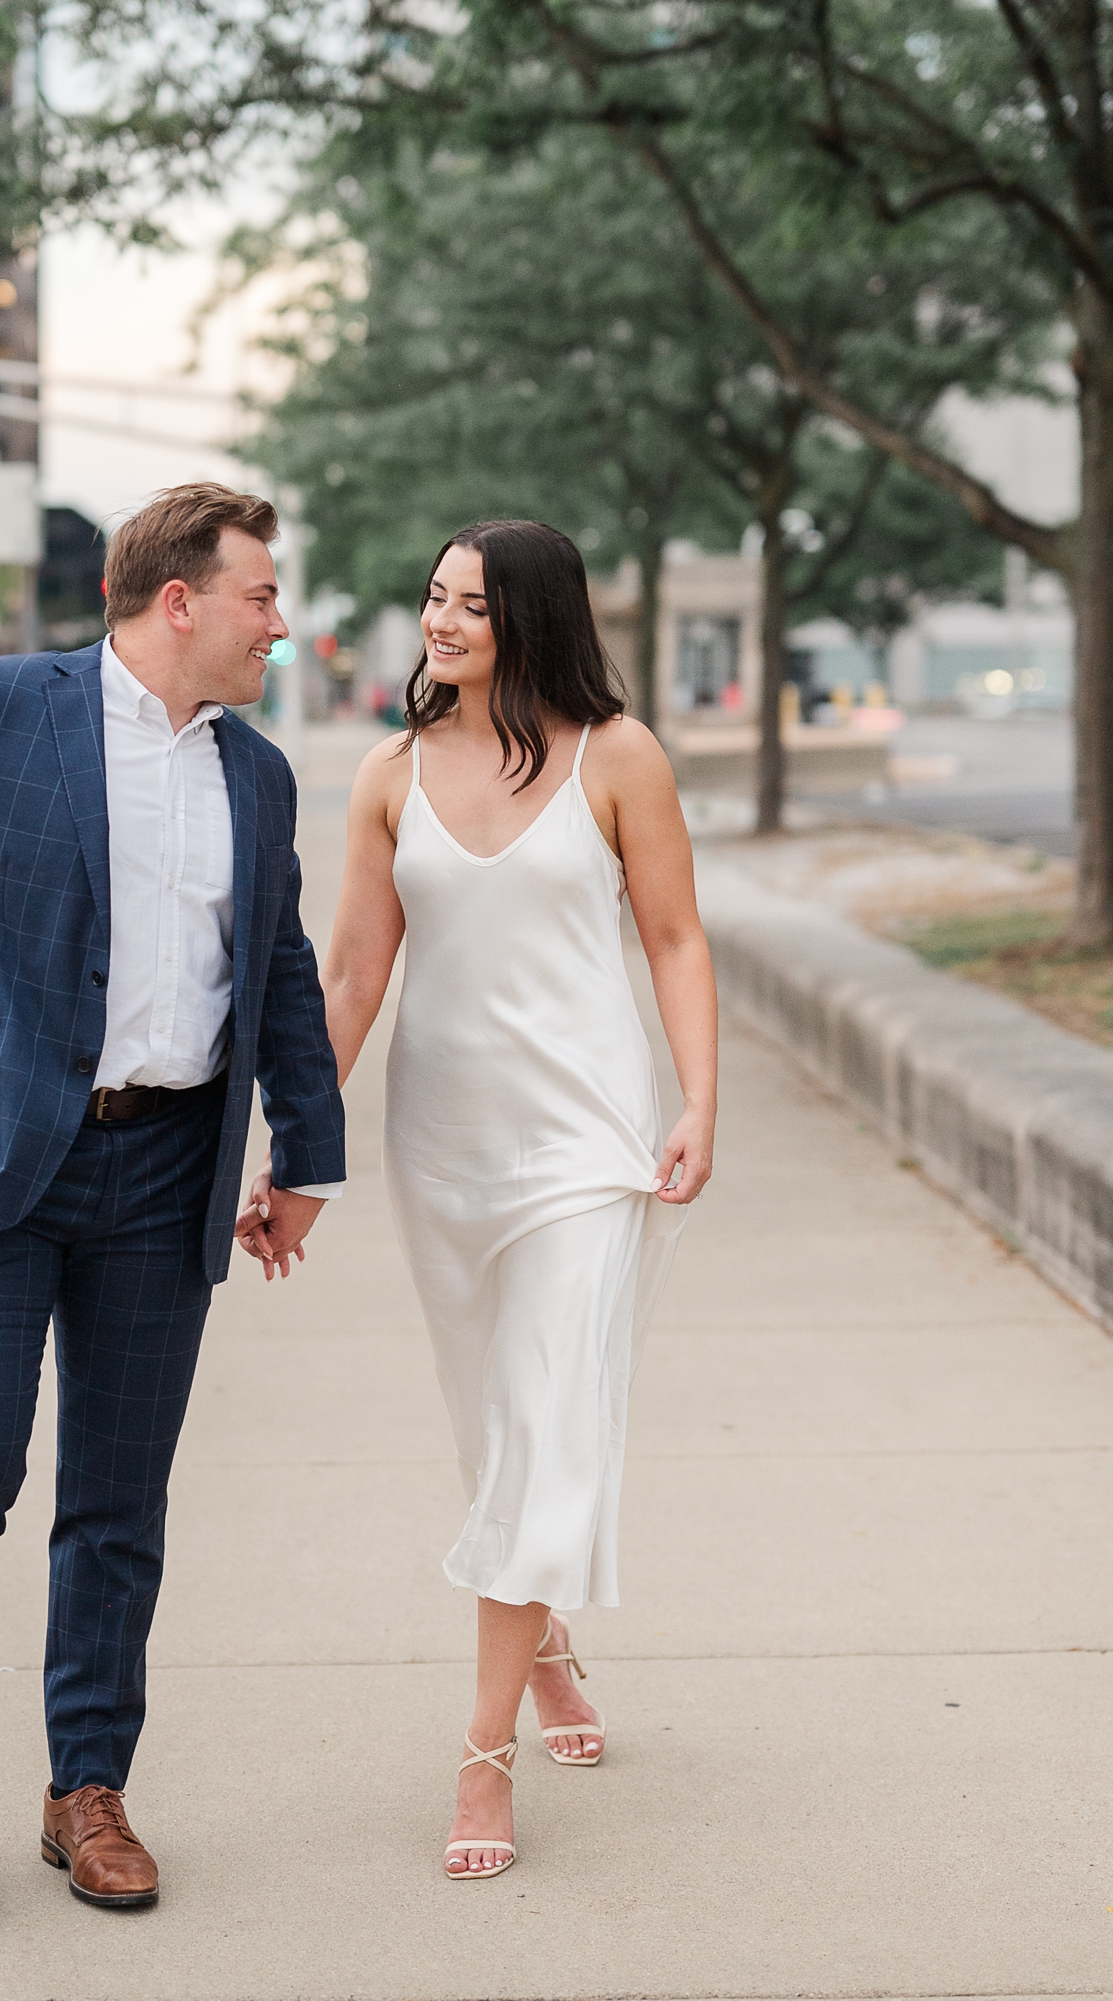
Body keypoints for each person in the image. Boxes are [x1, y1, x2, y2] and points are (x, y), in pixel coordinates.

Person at [0, 483, 344, 1934]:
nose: (278, 624)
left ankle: (87, 1786)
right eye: (260, 595)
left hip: (164, 1171)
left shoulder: (262, 774)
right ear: (179, 599)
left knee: (117, 1505)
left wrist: (305, 1150)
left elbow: (279, 970)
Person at [236, 519, 717, 1879]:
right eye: (433, 598)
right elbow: (351, 977)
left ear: (534, 621)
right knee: (490, 1426)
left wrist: (699, 1099)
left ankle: (483, 1750)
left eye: (469, 607)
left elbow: (675, 935)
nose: (438, 624)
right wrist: (294, 1142)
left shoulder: (618, 760)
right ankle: (547, 1637)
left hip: (589, 1141)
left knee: (544, 1421)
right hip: (444, 1148)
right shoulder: (388, 775)